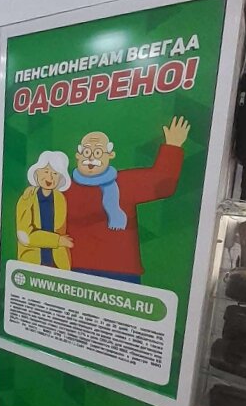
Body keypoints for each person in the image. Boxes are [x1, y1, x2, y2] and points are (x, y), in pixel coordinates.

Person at [64, 117, 190, 283]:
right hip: (73, 267)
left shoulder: (123, 183)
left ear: (110, 155)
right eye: (87, 152)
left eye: (98, 152)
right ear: (78, 155)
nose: (91, 158)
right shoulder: (65, 187)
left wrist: (173, 145)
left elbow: (163, 184)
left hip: (120, 272)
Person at [16, 151, 74, 269]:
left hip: (57, 264)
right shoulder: (27, 198)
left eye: (55, 173)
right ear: (37, 172)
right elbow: (24, 236)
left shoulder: (60, 199)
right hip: (32, 264)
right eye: (46, 171)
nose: (50, 177)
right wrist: (57, 241)